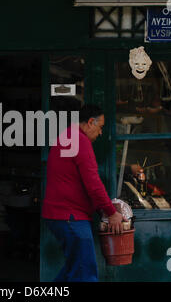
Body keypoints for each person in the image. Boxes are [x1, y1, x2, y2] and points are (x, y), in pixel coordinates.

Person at [42, 104, 127, 282]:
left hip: (61, 215)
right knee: (85, 274)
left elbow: (81, 183)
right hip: (71, 217)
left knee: (74, 270)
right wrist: (111, 212)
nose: (101, 132)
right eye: (100, 127)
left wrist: (104, 208)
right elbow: (93, 184)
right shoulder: (80, 141)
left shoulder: (68, 136)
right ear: (90, 122)